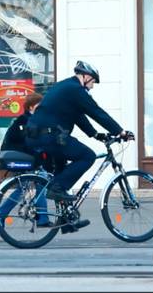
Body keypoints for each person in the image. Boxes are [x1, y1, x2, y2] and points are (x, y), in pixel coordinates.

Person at [25, 60, 134, 229]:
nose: (93, 86)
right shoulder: (75, 89)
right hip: (48, 135)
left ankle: (66, 221)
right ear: (86, 76)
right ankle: (57, 188)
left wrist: (96, 134)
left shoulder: (67, 87)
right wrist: (120, 131)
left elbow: (78, 115)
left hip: (41, 135)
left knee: (62, 171)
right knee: (87, 156)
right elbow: (96, 112)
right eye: (93, 82)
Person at [0, 92, 55, 228]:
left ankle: (2, 214)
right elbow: (30, 144)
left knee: (26, 187)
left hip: (25, 159)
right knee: (39, 181)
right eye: (39, 107)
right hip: (19, 159)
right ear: (31, 108)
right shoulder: (24, 121)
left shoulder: (31, 120)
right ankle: (42, 219)